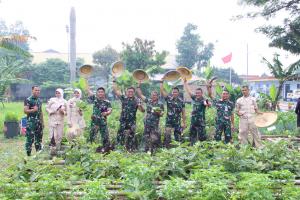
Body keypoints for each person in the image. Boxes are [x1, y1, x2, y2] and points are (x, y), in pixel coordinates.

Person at [113, 78, 144, 151]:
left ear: (134, 92)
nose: (130, 93)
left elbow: (142, 110)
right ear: (127, 92)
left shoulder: (137, 100)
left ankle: (130, 150)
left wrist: (139, 105)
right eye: (129, 91)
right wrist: (114, 81)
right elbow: (116, 91)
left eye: (132, 92)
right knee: (120, 135)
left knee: (131, 136)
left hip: (132, 121)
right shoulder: (124, 98)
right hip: (123, 121)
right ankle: (119, 149)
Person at [137, 80, 164, 153]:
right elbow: (140, 94)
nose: (153, 96)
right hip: (147, 123)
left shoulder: (160, 104)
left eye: (155, 95)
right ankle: (145, 150)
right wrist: (138, 85)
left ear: (157, 96)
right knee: (146, 137)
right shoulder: (148, 101)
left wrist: (158, 112)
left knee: (154, 137)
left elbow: (162, 114)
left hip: (155, 124)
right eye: (152, 95)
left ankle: (154, 150)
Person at [160, 80, 186, 148]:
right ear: (172, 92)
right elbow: (162, 92)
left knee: (178, 137)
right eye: (173, 92)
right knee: (167, 135)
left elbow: (183, 113)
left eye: (176, 92)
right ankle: (167, 149)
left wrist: (184, 122)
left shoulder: (181, 102)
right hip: (169, 121)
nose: (174, 93)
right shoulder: (168, 99)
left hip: (177, 122)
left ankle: (178, 150)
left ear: (178, 93)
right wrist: (161, 83)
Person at [183, 79, 210, 145]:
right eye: (196, 93)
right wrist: (185, 83)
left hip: (201, 122)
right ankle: (192, 147)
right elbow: (189, 92)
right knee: (192, 136)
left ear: (201, 93)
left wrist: (208, 104)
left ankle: (202, 149)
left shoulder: (204, 99)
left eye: (199, 93)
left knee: (202, 137)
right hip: (193, 121)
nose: (197, 94)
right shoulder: (194, 98)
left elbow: (207, 103)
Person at [24, 86, 44, 156]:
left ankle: (38, 153)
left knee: (39, 138)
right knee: (30, 138)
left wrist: (42, 122)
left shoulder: (39, 100)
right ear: (32, 90)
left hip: (38, 122)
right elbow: (25, 111)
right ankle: (28, 154)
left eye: (38, 90)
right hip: (31, 122)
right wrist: (33, 110)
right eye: (36, 90)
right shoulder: (28, 100)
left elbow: (40, 112)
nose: (37, 91)